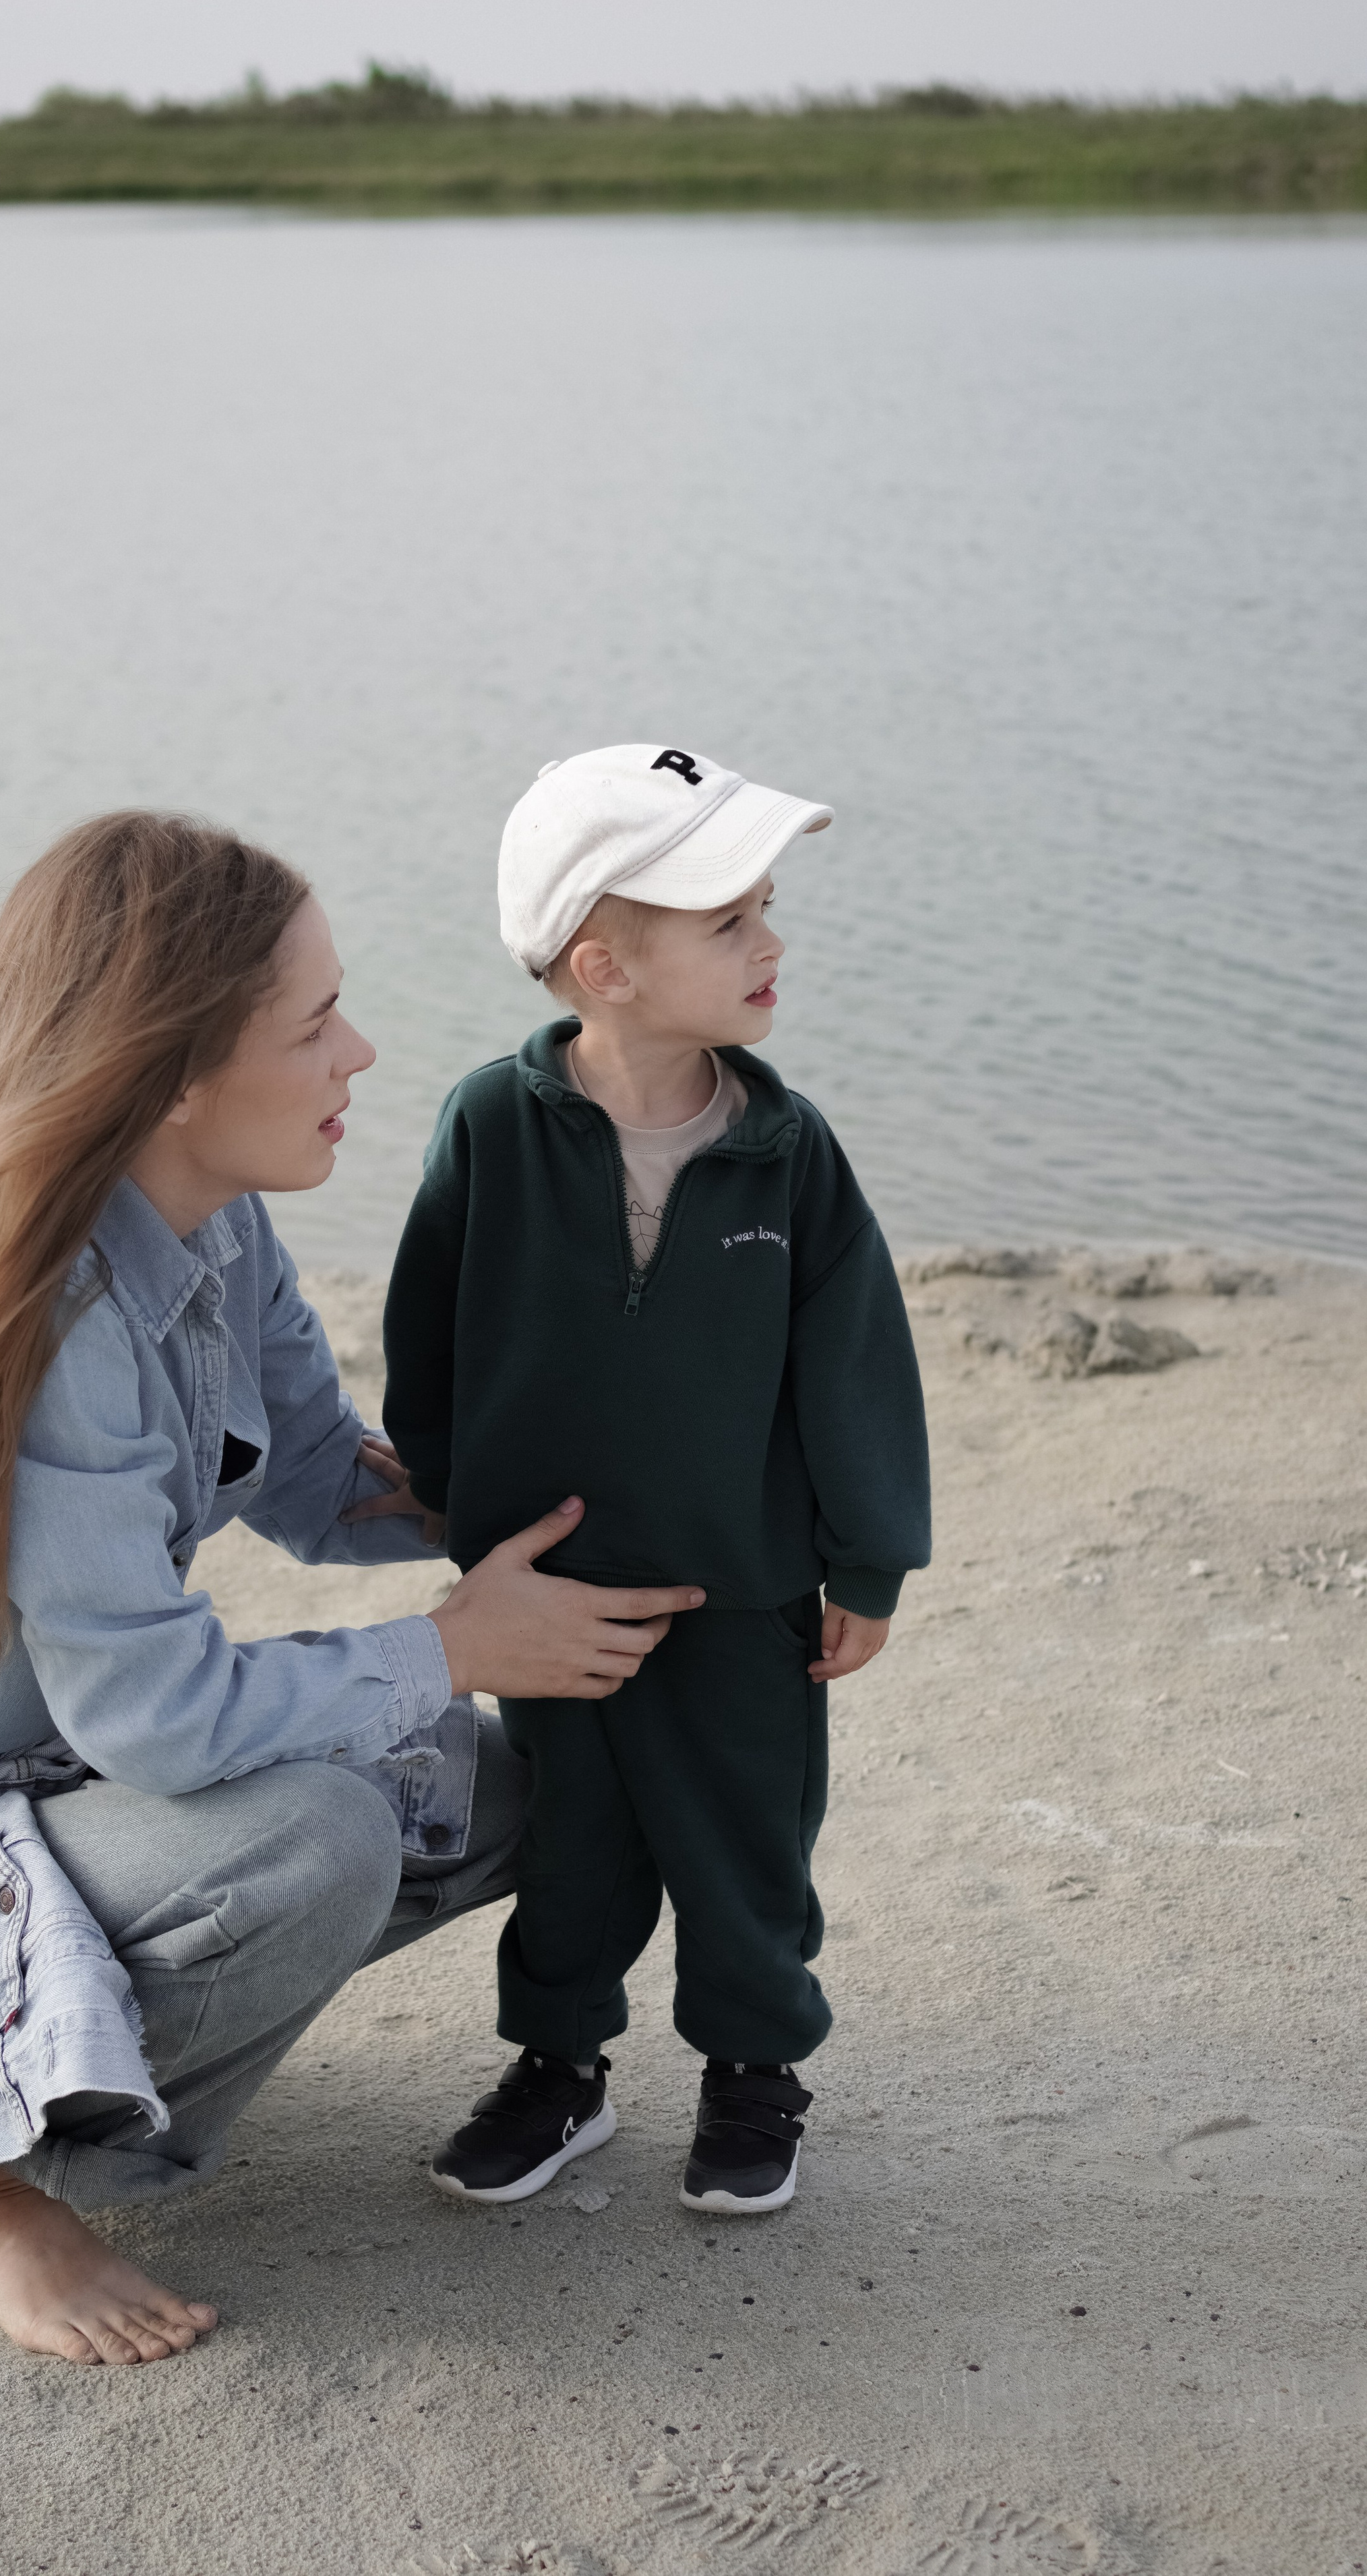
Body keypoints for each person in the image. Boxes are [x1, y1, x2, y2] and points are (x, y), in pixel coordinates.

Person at [0, 810, 708, 2365]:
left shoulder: (212, 1224)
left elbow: (317, 1481)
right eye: (312, 1022)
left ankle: (13, 2065)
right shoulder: (44, 1311)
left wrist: (592, 1502)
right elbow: (155, 1714)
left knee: (497, 1793)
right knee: (324, 1837)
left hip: (28, 1781)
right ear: (172, 1075)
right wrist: (458, 1641)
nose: (360, 1049)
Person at [383, 744, 932, 2215]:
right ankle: (558, 2073)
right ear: (601, 966)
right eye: (727, 921)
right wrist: (450, 1493)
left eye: (764, 909)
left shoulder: (784, 1149)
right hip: (548, 1605)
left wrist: (864, 1564)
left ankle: (755, 2078)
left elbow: (856, 1362)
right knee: (572, 1850)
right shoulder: (488, 1127)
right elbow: (427, 1322)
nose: (770, 943)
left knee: (748, 1848)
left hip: (745, 1590)